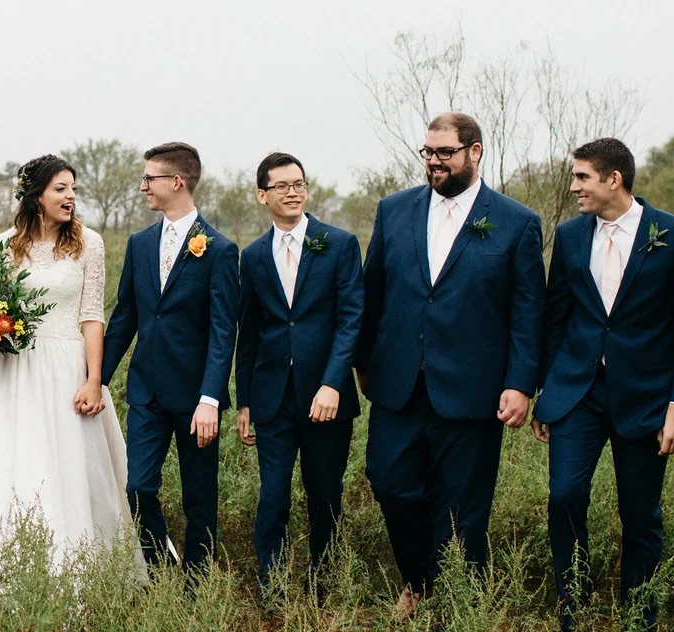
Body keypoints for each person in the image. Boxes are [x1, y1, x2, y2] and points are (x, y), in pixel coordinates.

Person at [356, 112, 545, 616]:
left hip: (473, 390)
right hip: (397, 385)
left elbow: (527, 314)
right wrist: (361, 365)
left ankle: (461, 602)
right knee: (390, 484)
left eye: (445, 153)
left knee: (463, 505)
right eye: (428, 152)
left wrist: (522, 384)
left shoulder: (516, 222)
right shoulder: (393, 210)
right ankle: (419, 580)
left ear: (475, 152)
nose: (434, 162)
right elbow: (370, 294)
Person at [530, 138, 674, 630]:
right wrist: (547, 391)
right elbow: (556, 317)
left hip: (647, 398)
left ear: (614, 179)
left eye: (582, 177)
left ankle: (639, 613)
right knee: (564, 496)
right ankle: (574, 605)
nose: (574, 186)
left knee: (641, 512)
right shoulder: (568, 235)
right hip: (577, 392)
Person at [0, 155, 142, 574]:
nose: (70, 197)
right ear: (35, 195)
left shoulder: (88, 242)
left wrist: (95, 379)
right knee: (15, 463)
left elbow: (92, 316)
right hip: (15, 372)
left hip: (66, 367)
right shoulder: (3, 245)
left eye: (73, 189)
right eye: (60, 189)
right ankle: (8, 570)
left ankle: (76, 569)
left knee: (69, 466)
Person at [102, 141, 239, 578]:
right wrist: (97, 380)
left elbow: (223, 332)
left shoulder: (218, 249)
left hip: (197, 398)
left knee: (199, 496)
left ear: (176, 182)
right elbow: (124, 317)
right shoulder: (140, 244)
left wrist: (210, 399)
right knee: (138, 487)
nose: (143, 187)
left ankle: (197, 582)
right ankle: (162, 571)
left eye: (149, 179)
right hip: (146, 392)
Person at [233, 152, 362, 602]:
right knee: (273, 496)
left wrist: (332, 383)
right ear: (262, 195)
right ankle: (272, 588)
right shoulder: (251, 256)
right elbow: (247, 331)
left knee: (324, 494)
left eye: (299, 184)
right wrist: (244, 401)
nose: (292, 192)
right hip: (272, 398)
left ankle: (322, 584)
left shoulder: (340, 244)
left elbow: (351, 320)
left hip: (326, 396)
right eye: (282, 186)